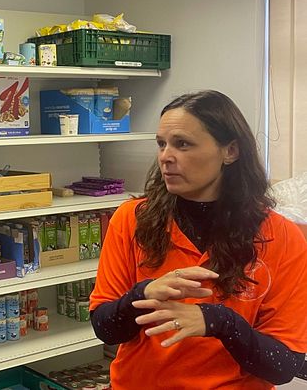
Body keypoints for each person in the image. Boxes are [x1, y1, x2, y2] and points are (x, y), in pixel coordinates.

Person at [90, 90, 307, 389]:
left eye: (183, 144)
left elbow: (283, 367)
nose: (166, 156)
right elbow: (105, 328)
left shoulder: (280, 237)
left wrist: (220, 322)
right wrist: (140, 296)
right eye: (161, 144)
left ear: (230, 151)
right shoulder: (131, 219)